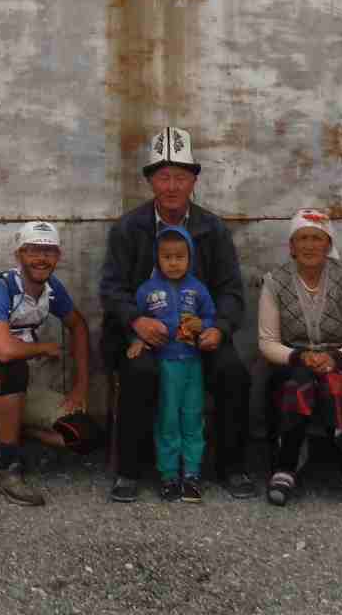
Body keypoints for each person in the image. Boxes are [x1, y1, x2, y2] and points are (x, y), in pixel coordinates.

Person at [100, 126, 257, 502]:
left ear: (194, 181)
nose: (172, 186)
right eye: (164, 177)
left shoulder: (212, 229)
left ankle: (232, 467)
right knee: (139, 372)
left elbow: (231, 291)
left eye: (181, 178)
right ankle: (130, 472)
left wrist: (218, 327)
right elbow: (112, 288)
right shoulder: (128, 228)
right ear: (151, 182)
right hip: (145, 333)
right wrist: (136, 321)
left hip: (198, 333)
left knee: (232, 372)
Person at [0, 219, 95, 506]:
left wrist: (80, 388)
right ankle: (7, 469)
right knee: (10, 366)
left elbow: (78, 326)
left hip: (19, 393)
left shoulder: (52, 288)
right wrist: (44, 347)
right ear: (18, 255)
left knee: (85, 434)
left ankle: (7, 432)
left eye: (49, 251)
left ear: (58, 256)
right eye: (32, 251)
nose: (42, 258)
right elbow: (3, 351)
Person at [257, 207, 342, 512]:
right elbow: (267, 341)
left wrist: (337, 358)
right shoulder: (275, 281)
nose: (310, 245)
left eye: (317, 238)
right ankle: (285, 468)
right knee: (298, 385)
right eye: (303, 238)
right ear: (292, 246)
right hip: (294, 362)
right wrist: (299, 356)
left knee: (334, 386)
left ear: (328, 244)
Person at [128, 225, 216, 501]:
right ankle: (168, 475)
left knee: (192, 417)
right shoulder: (147, 290)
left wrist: (204, 326)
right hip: (165, 365)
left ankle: (191, 474)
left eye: (180, 257)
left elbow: (211, 318)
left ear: (190, 258)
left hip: (193, 364)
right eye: (167, 257)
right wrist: (137, 340)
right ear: (157, 258)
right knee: (167, 419)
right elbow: (135, 321)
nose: (174, 263)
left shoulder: (198, 289)